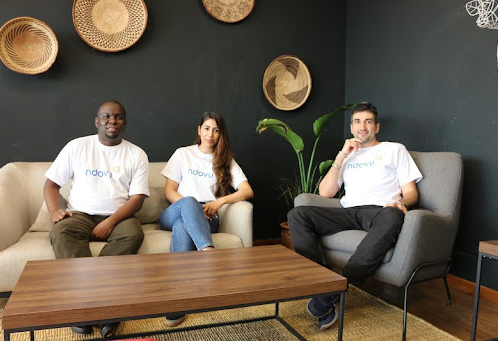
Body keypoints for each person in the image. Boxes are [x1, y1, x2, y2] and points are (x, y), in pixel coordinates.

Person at [287, 101, 422, 331]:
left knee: (393, 216)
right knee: (298, 214)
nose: (363, 127)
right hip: (348, 211)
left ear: (376, 127)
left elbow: (411, 193)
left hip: (380, 211)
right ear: (351, 127)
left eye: (368, 121)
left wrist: (400, 203)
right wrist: (341, 155)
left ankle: (330, 294)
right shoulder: (347, 155)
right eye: (358, 122)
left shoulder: (394, 149)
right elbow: (325, 193)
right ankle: (320, 285)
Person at [44, 100, 150, 337]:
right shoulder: (77, 147)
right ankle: (89, 306)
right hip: (80, 214)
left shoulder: (136, 154)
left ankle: (99, 308)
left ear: (125, 123)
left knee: (134, 233)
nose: (112, 121)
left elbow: (137, 199)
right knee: (61, 232)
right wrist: (54, 211)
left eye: (118, 117)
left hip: (120, 216)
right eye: (106, 117)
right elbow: (51, 186)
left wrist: (110, 222)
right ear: (97, 121)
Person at [159, 111, 254, 327]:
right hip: (175, 210)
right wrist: (190, 206)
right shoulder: (183, 154)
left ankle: (177, 301)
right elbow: (169, 191)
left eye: (216, 130)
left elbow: (247, 191)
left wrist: (219, 202)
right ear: (199, 130)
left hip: (208, 215)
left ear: (221, 134)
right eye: (207, 128)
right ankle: (209, 254)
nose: (211, 134)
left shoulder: (224, 159)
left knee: (184, 226)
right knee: (188, 206)